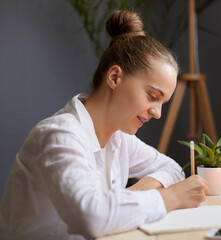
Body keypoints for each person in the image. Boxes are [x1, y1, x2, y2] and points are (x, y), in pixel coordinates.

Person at [0, 10, 208, 240]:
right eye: (152, 96)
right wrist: (172, 198)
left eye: (163, 103)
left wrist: (139, 190)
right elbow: (91, 217)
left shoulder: (119, 139)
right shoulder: (58, 136)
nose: (157, 113)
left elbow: (172, 169)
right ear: (115, 77)